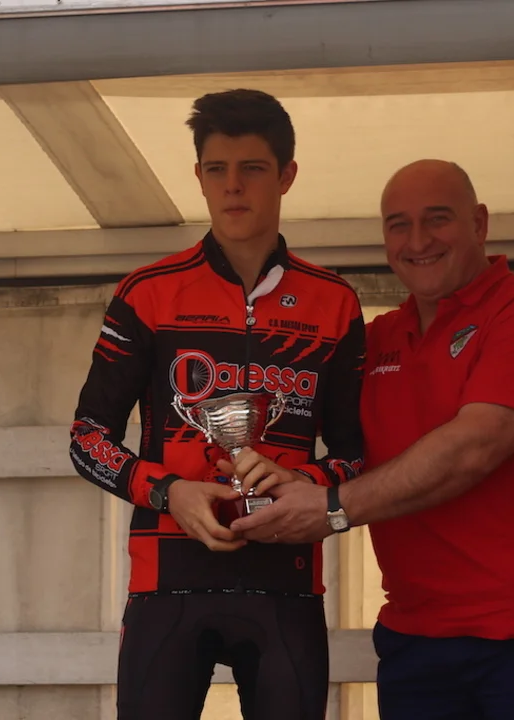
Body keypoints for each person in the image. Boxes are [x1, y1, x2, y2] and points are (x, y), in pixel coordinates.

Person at [227, 159, 514, 719]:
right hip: (417, 639)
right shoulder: (379, 338)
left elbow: (473, 449)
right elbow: (342, 447)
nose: (418, 241)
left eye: (437, 219)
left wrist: (332, 508)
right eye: (398, 225)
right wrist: (288, 479)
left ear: (479, 223)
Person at [69, 88, 366, 720]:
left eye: (252, 168)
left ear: (286, 175)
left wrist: (304, 484)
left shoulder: (335, 302)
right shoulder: (148, 293)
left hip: (286, 580)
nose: (233, 186)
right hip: (166, 578)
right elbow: (87, 438)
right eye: (216, 169)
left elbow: (359, 453)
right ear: (199, 177)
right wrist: (168, 491)